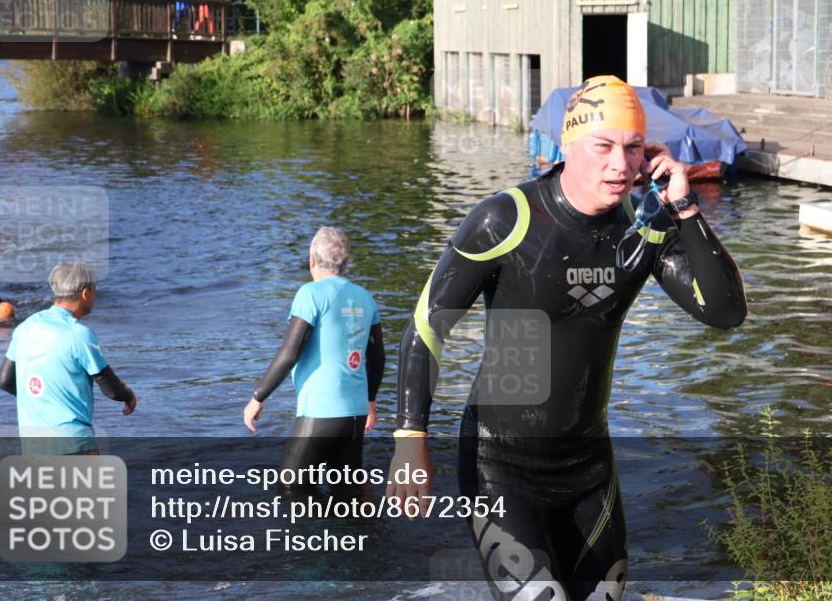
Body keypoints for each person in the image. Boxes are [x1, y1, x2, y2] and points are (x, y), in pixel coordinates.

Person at [387, 76, 747, 600]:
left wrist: (685, 208)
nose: (620, 165)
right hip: (500, 466)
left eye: (632, 148)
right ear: (566, 146)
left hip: (588, 469)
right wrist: (409, 439)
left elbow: (726, 312)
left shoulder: (642, 225)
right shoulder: (506, 219)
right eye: (603, 146)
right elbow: (427, 326)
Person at [243, 227, 385, 491]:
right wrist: (371, 402)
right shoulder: (365, 297)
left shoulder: (310, 294)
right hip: (355, 414)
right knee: (346, 493)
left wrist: (258, 397)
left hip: (321, 411)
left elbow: (290, 352)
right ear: (345, 262)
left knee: (290, 489)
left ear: (312, 259)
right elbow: (377, 356)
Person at [0, 262, 137, 454]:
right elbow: (112, 390)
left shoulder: (25, 327)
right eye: (94, 291)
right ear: (86, 292)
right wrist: (129, 396)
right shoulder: (79, 334)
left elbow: (5, 381)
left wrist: (44, 399)